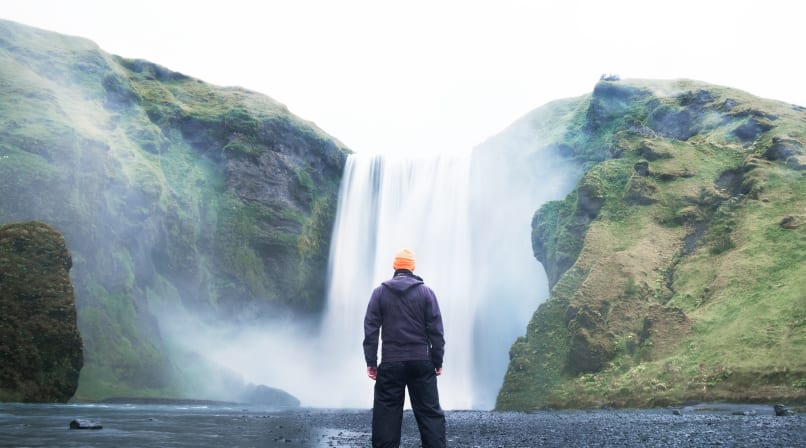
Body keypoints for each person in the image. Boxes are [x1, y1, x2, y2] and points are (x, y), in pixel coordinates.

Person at [363, 248, 446, 448]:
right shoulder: (426, 293)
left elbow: (371, 330)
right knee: (429, 413)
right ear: (412, 267)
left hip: (391, 361)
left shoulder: (379, 293)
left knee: (386, 414)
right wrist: (437, 360)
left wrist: (371, 362)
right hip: (421, 361)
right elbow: (436, 331)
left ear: (395, 266)